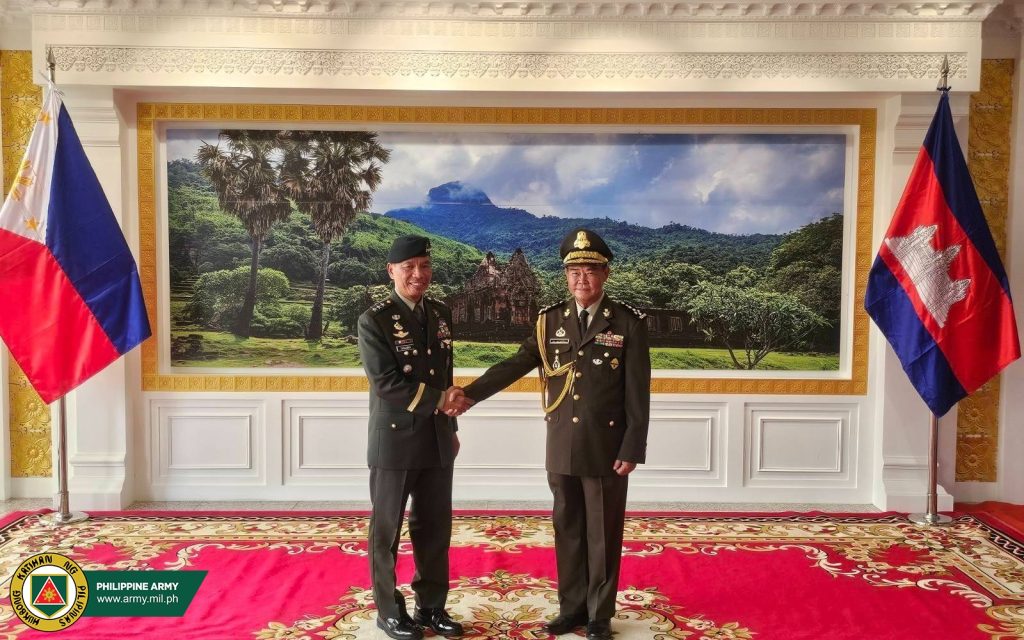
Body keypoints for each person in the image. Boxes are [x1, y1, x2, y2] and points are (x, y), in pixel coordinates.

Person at [456, 227, 651, 640]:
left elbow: (638, 393)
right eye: (575, 271)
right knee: (568, 528)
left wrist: (633, 446)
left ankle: (599, 615)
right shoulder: (550, 322)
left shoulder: (628, 323)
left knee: (602, 532)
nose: (583, 279)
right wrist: (469, 395)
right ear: (566, 275)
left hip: (606, 445)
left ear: (606, 274)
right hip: (561, 441)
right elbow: (515, 364)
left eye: (591, 271)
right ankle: (572, 609)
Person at [358, 234, 472, 640]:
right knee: (386, 531)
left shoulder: (441, 314)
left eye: (424, 266)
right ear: (392, 271)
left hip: (437, 439)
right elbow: (387, 383)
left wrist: (451, 421)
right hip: (395, 441)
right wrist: (442, 400)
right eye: (409, 268)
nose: (418, 274)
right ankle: (389, 611)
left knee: (435, 529)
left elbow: (444, 374)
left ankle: (431, 608)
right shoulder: (375, 319)